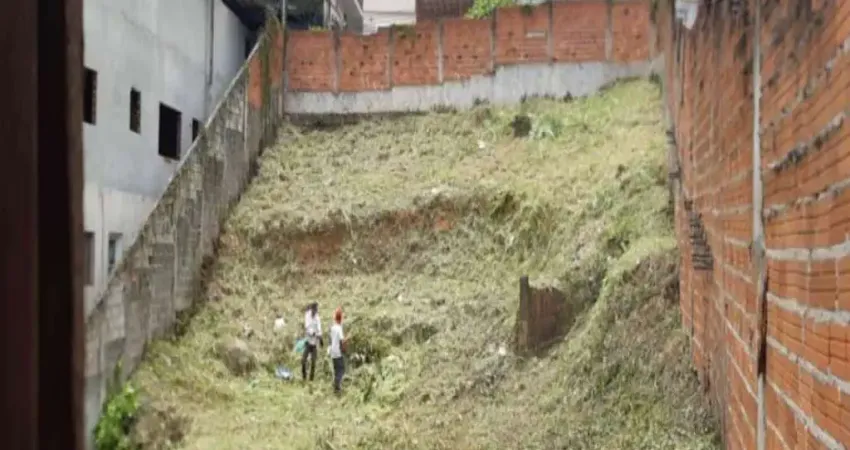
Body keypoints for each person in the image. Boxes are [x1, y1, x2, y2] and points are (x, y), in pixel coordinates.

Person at [302, 302, 322, 382]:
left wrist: (320, 337)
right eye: (315, 309)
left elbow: (319, 328)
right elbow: (307, 327)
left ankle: (311, 380)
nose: (316, 311)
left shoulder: (317, 317)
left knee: (313, 362)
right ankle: (304, 377)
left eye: (317, 310)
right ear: (312, 309)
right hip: (308, 342)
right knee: (303, 361)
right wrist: (313, 333)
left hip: (314, 344)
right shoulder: (307, 315)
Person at [329, 307, 346, 394]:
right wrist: (347, 340)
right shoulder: (339, 328)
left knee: (336, 370)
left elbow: (331, 340)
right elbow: (342, 340)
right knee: (341, 370)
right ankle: (337, 388)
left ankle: (335, 386)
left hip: (332, 351)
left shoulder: (332, 328)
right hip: (338, 352)